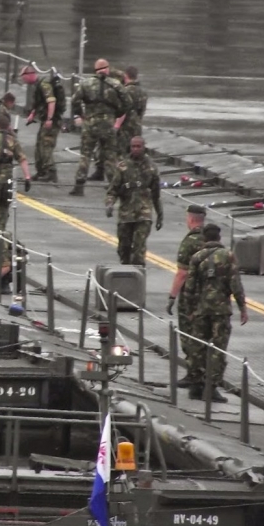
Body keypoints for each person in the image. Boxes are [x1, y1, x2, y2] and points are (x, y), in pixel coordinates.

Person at [183, 222, 248, 403]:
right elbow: (235, 284)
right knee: (218, 349)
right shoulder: (228, 256)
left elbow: (189, 287)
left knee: (197, 347)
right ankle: (211, 388)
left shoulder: (196, 257)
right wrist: (242, 307)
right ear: (219, 238)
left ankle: (195, 385)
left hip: (200, 310)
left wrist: (189, 310)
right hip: (221, 311)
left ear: (204, 238)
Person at [70, 58, 131, 196]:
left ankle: (79, 186)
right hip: (108, 124)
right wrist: (118, 112)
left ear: (95, 70)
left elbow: (74, 100)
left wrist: (80, 114)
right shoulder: (115, 84)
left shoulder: (86, 83)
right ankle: (112, 186)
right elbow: (128, 102)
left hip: (90, 123)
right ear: (107, 69)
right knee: (110, 156)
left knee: (85, 155)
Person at [105, 136, 163, 265]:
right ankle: (126, 272)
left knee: (139, 248)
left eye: (138, 146)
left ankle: (138, 275)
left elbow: (156, 195)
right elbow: (112, 190)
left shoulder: (152, 168)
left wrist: (160, 215)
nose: (136, 149)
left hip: (144, 214)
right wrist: (109, 204)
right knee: (123, 248)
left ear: (144, 147)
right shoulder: (122, 167)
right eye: (133, 146)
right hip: (126, 214)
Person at [167, 204, 207, 388]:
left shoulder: (190, 241)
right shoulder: (210, 238)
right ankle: (205, 373)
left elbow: (182, 273)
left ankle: (193, 375)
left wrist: (172, 296)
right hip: (208, 296)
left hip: (191, 297)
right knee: (204, 335)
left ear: (190, 219)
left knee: (188, 335)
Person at [20, 65, 66, 183]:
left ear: (30, 75)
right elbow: (40, 102)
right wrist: (32, 114)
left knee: (46, 144)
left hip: (52, 120)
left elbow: (51, 101)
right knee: (39, 144)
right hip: (45, 118)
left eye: (24, 77)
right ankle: (41, 171)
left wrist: (49, 119)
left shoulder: (44, 84)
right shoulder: (37, 85)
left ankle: (51, 172)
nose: (23, 80)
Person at [115, 65, 148, 159]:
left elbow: (122, 111)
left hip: (125, 128)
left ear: (126, 76)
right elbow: (142, 111)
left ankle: (123, 172)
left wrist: (116, 127)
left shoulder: (124, 91)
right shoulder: (143, 92)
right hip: (137, 126)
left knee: (122, 154)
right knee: (136, 154)